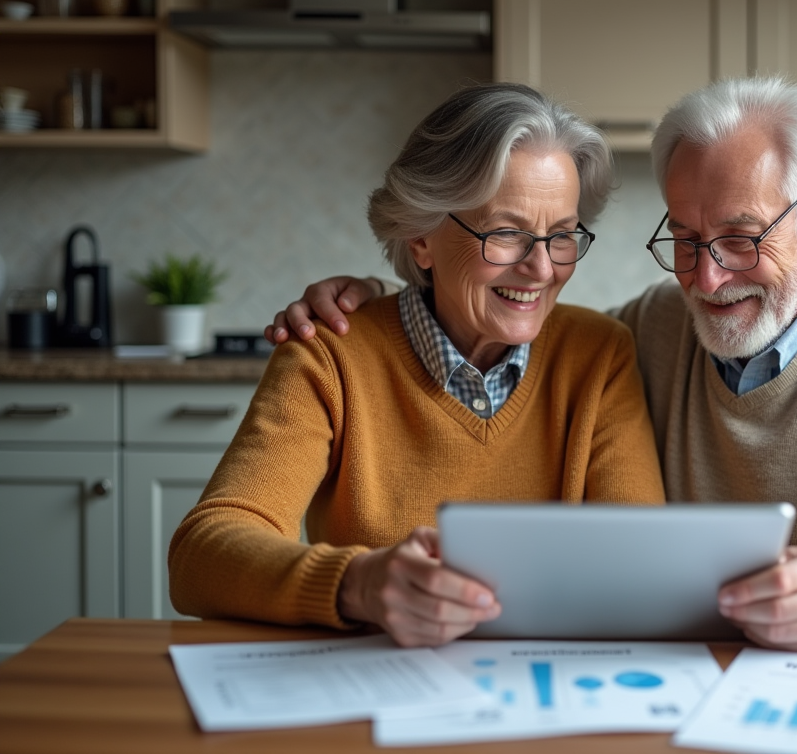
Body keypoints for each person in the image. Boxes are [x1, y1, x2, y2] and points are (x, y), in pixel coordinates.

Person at [266, 76, 797, 654]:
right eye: (686, 241)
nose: (706, 278)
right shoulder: (655, 329)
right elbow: (514, 323)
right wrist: (375, 303)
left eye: (739, 238)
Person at [169, 83, 665, 648]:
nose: (541, 268)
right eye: (506, 234)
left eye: (562, 236)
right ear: (420, 237)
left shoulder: (599, 355)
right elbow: (201, 557)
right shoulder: (330, 353)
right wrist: (355, 585)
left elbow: (640, 558)